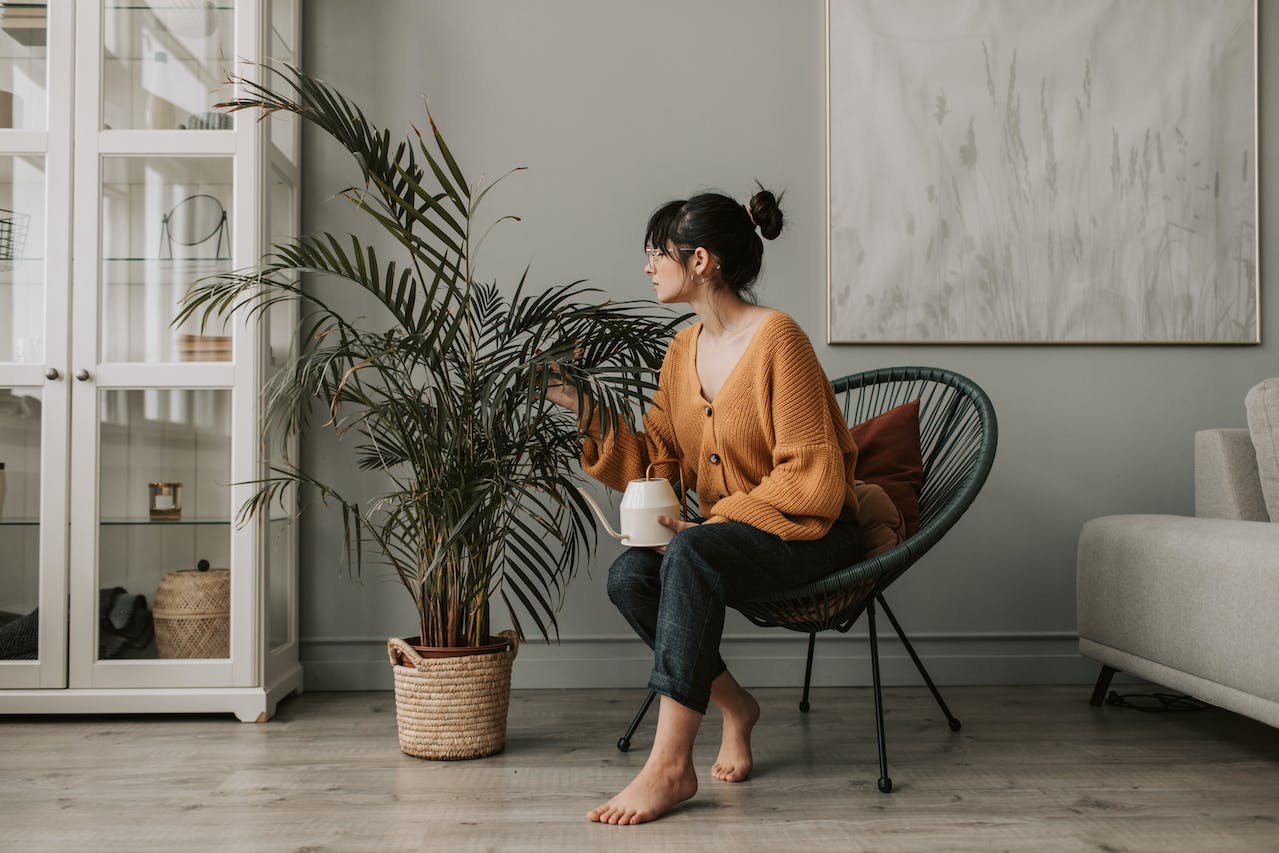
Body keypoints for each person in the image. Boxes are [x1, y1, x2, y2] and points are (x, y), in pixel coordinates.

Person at [546, 187, 865, 825]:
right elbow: (657, 462)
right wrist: (578, 403)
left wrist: (714, 521)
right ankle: (734, 705)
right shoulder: (679, 353)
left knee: (689, 549)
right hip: (728, 540)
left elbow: (815, 475)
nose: (646, 267)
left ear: (700, 261)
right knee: (630, 576)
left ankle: (669, 767)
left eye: (655, 252)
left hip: (815, 533)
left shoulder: (780, 339)